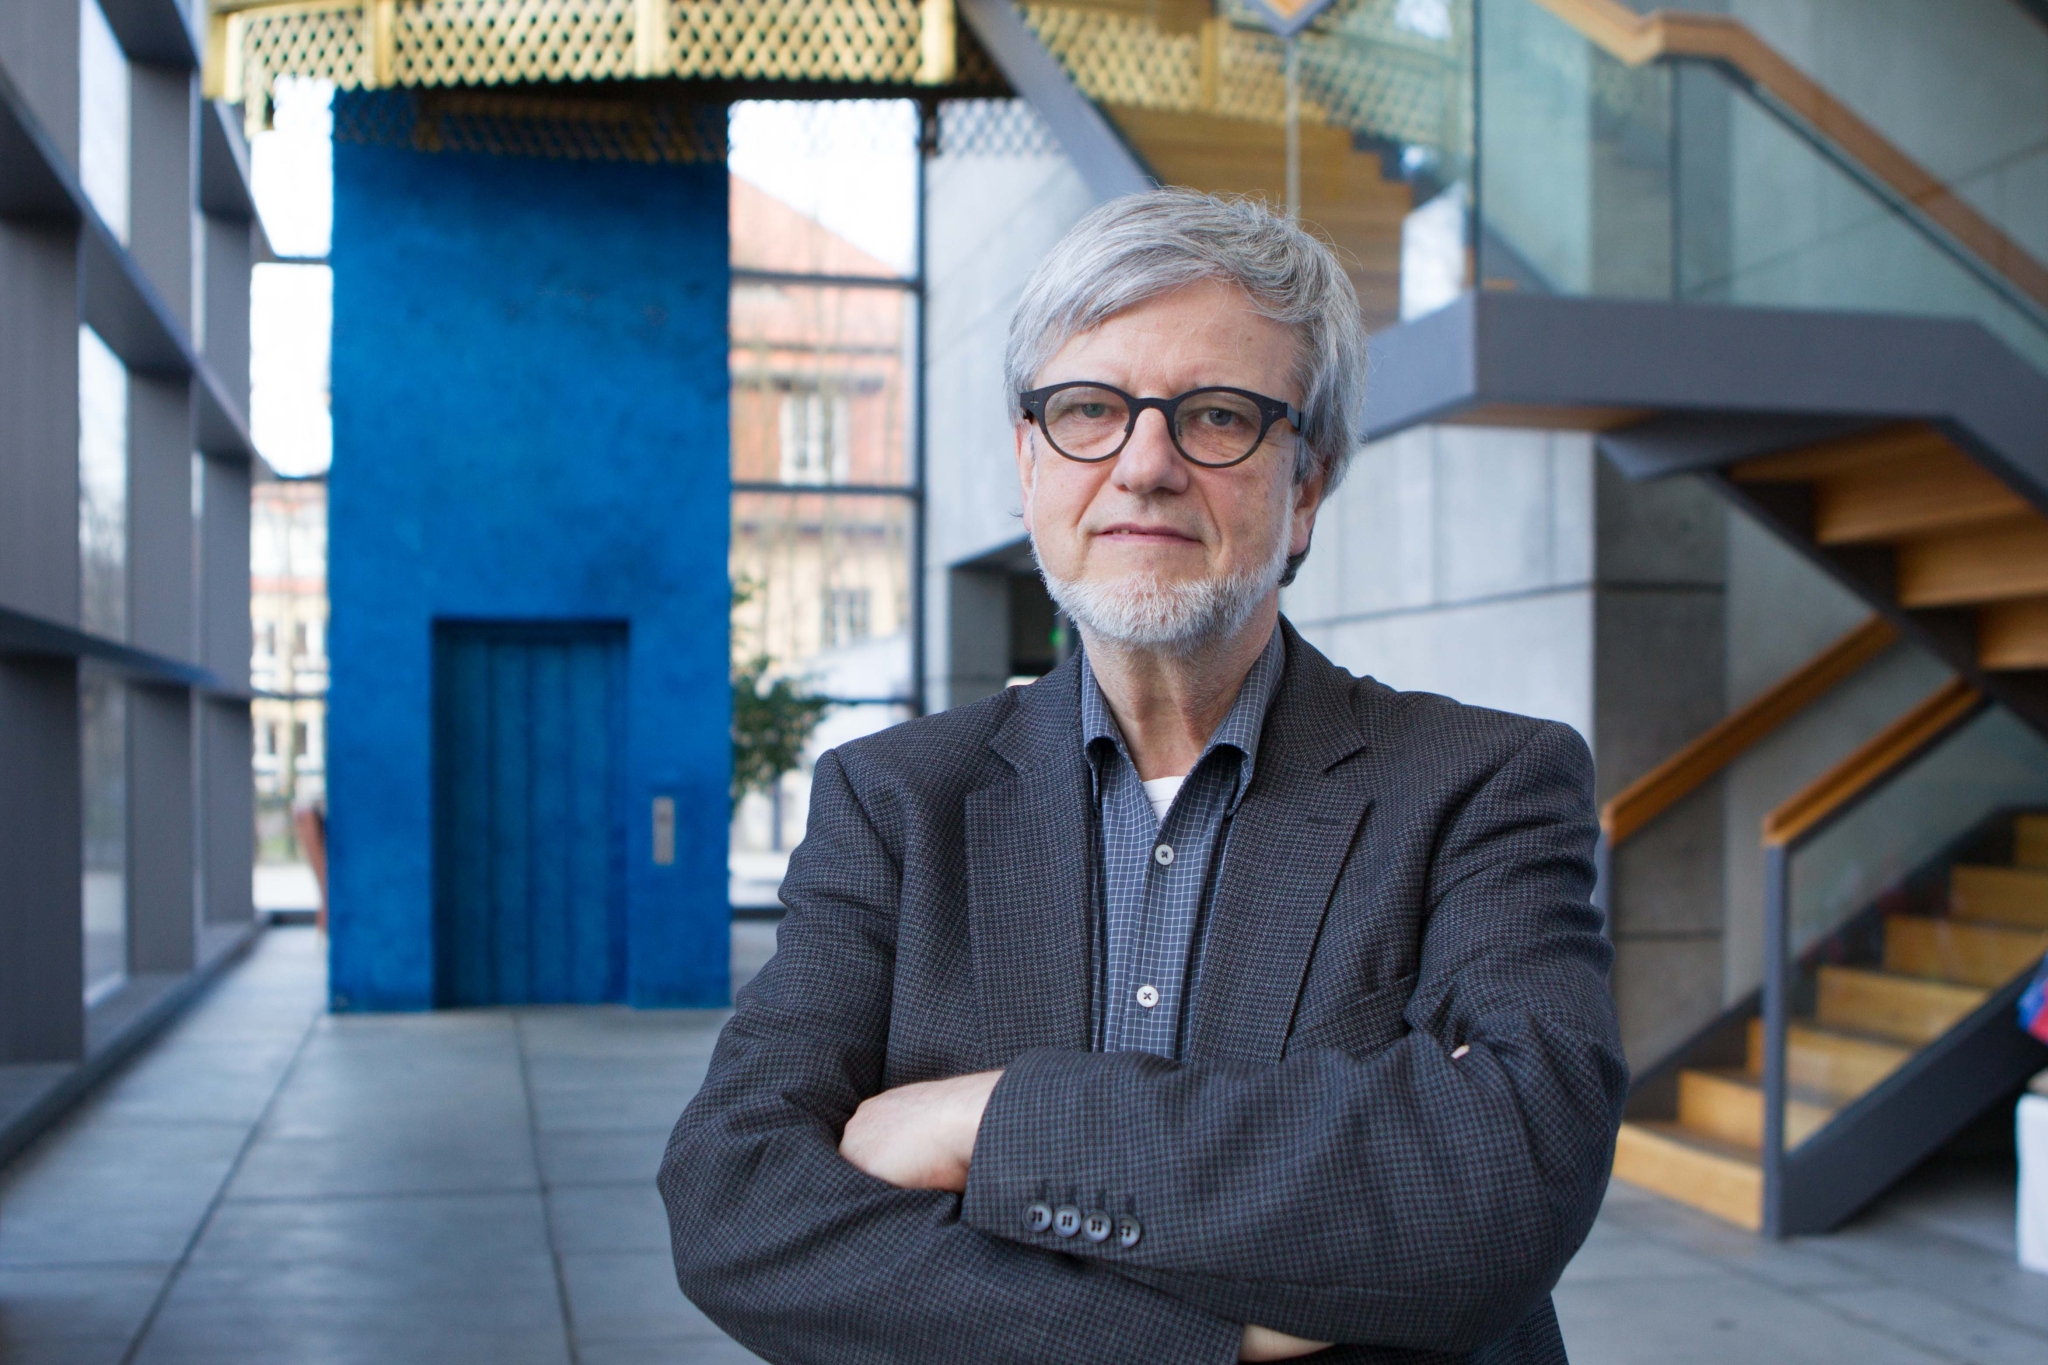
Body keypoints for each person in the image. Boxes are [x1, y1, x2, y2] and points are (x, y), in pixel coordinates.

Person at [661, 189, 1626, 1364]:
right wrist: (1215, 1337)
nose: (1144, 465)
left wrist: (989, 1120)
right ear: (1029, 464)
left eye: (1215, 417)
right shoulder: (892, 802)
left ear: (1305, 485)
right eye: (1087, 411)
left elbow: (1502, 1187)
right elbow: (735, 1203)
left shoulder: (1486, 785)